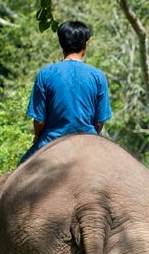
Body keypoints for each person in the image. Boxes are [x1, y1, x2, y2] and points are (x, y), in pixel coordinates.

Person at [19, 20, 112, 164]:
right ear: (85, 45)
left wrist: (37, 136)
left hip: (51, 140)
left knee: (18, 175)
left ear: (61, 44)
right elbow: (99, 123)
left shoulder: (45, 74)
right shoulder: (98, 76)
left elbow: (39, 120)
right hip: (88, 139)